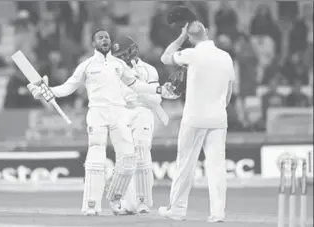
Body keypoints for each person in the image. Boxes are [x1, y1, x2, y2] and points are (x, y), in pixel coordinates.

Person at [27, 29, 139, 216]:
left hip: (119, 112)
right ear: (93, 43)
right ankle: (91, 205)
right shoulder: (86, 65)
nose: (105, 39)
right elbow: (69, 87)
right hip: (97, 112)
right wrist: (48, 91)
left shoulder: (119, 64)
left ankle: (117, 197)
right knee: (96, 159)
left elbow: (135, 84)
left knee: (128, 158)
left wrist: (155, 91)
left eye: (107, 37)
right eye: (100, 37)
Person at [157, 21, 235, 222]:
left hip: (194, 117)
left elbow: (165, 57)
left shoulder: (191, 53)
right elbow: (229, 93)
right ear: (207, 32)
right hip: (218, 118)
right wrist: (218, 108)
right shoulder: (225, 57)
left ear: (190, 38)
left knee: (185, 165)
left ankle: (178, 209)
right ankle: (218, 213)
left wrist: (181, 37)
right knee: (217, 166)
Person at [111, 36, 162, 214]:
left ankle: (143, 202)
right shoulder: (114, 70)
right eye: (118, 55)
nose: (121, 59)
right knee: (125, 157)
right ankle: (126, 202)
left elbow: (157, 99)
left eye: (123, 54)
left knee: (141, 153)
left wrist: (138, 91)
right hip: (122, 112)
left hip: (142, 111)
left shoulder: (148, 70)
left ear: (132, 51)